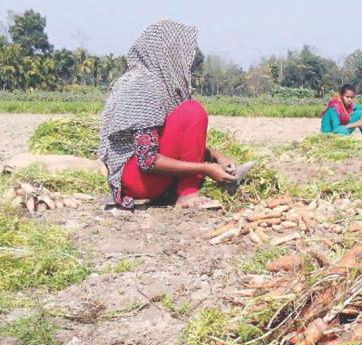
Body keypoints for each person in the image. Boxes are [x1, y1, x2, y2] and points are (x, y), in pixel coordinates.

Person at [98, 19, 253, 210]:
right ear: (168, 53)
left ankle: (181, 190)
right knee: (192, 111)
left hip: (148, 177)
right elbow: (148, 160)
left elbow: (168, 140)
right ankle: (188, 195)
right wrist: (205, 168)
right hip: (136, 180)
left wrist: (215, 156)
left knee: (190, 111)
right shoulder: (142, 86)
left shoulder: (162, 85)